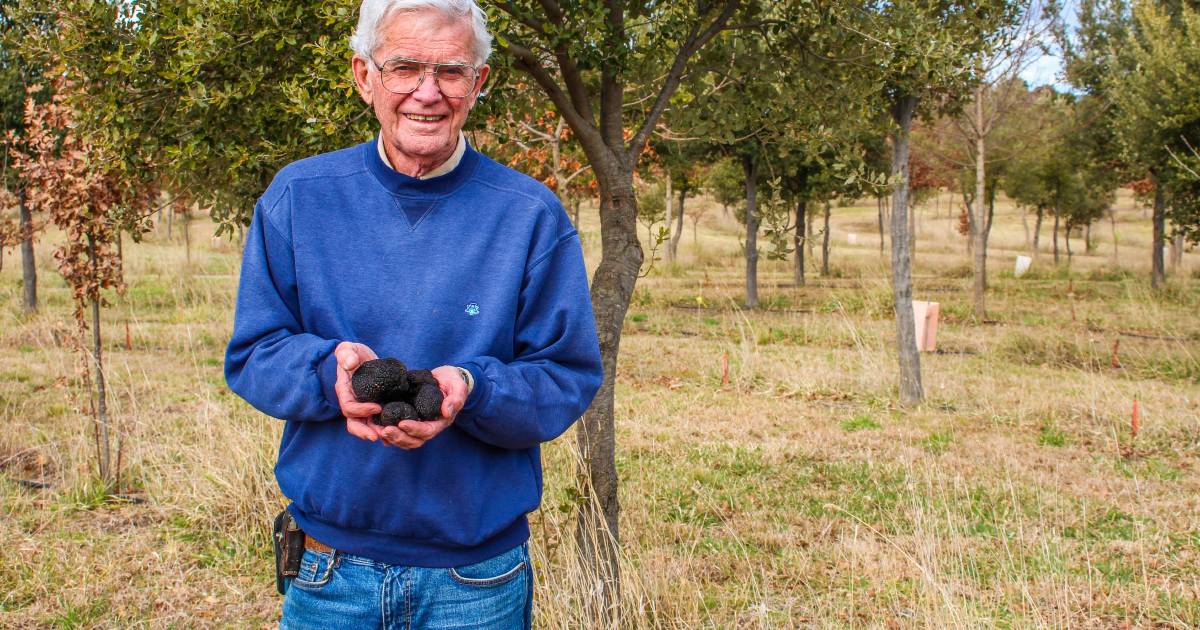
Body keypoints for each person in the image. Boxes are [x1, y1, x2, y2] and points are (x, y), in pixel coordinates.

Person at [223, 0, 603, 626]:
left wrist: (471, 390)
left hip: (475, 580)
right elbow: (254, 353)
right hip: (328, 572)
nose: (427, 93)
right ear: (364, 76)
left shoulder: (530, 215)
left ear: (477, 84)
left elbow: (565, 376)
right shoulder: (298, 198)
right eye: (404, 67)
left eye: (451, 71)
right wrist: (329, 373)